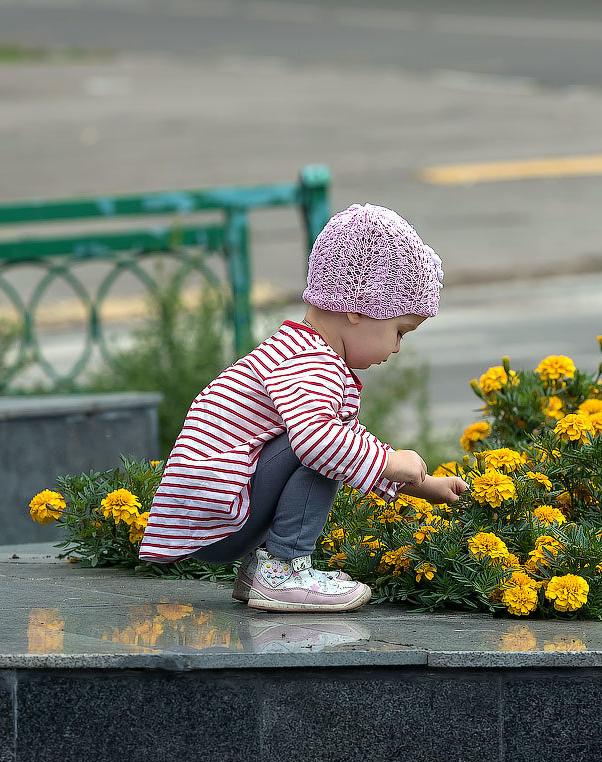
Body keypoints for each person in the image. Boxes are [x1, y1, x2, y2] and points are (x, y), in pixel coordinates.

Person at [137, 203, 468, 612]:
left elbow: (344, 442)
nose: (397, 347)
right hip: (218, 517)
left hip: (216, 511)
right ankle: (284, 570)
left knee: (331, 442)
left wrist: (422, 485)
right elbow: (318, 445)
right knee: (319, 446)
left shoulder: (302, 351)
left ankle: (262, 572)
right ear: (359, 307)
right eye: (398, 330)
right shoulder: (311, 364)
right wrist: (390, 463)